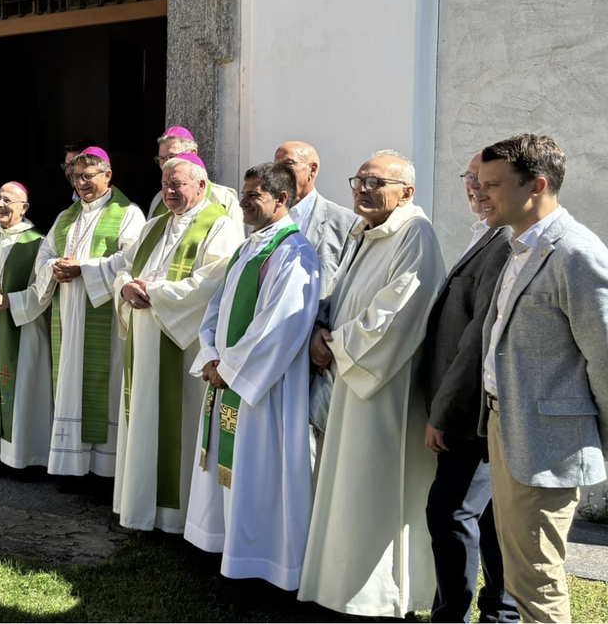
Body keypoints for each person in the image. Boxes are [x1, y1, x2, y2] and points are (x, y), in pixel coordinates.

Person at [299, 150, 445, 618]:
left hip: (382, 388)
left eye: (375, 182)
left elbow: (395, 315)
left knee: (372, 490)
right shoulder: (364, 232)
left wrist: (335, 346)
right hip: (348, 377)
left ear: (407, 192)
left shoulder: (414, 234)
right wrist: (323, 332)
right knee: (341, 487)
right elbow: (343, 296)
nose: (362, 189)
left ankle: (377, 597)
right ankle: (335, 587)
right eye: (358, 180)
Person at [475, 134, 608, 623]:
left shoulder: (575, 253)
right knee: (520, 575)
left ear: (538, 185)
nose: (480, 193)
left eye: (492, 184)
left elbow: (606, 360)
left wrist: (594, 441)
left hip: (547, 444)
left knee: (537, 580)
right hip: (505, 425)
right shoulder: (519, 247)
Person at [184, 161, 320, 590]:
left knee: (259, 472)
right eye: (243, 194)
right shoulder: (249, 245)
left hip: (264, 391)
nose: (242, 202)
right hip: (227, 378)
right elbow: (216, 309)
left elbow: (281, 325)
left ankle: (262, 563)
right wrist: (209, 354)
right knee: (227, 468)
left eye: (253, 196)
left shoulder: (294, 252)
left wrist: (231, 368)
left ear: (283, 199)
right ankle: (224, 548)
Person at [112, 156, 241, 531]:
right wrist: (124, 286)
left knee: (175, 421)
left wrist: (153, 291)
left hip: (180, 345)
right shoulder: (153, 225)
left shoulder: (220, 226)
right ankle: (138, 506)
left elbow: (211, 283)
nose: (168, 191)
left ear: (201, 186)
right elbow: (124, 264)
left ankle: (174, 516)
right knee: (142, 418)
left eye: (177, 184)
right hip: (143, 339)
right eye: (165, 183)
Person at [416, 152, 516, 623]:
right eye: (469, 178)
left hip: (472, 416)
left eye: (485, 180)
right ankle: (498, 612)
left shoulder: (505, 244)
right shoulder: (487, 235)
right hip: (473, 413)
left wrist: (443, 411)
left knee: (451, 514)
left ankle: (458, 614)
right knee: (490, 520)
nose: (475, 188)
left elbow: (477, 339)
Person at [31, 146, 145, 477]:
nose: (80, 182)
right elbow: (43, 255)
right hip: (68, 316)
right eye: (75, 176)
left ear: (108, 175)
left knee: (101, 385)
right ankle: (71, 463)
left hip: (103, 317)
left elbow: (132, 259)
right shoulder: (66, 217)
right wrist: (54, 267)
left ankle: (104, 467)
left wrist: (85, 268)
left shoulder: (128, 213)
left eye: (87, 176)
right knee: (69, 382)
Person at [0, 181, 53, 468]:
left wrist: (11, 303)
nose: (1, 205)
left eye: (8, 200)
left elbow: (43, 290)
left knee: (24, 390)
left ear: (24, 208)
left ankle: (24, 457)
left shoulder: (38, 242)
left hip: (25, 330)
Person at [275, 141, 359, 296]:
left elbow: (350, 285)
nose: (279, 172)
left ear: (312, 170)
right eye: (276, 166)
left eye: (288, 163)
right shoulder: (267, 216)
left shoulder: (347, 222)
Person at [149, 126, 241, 223]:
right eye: (161, 158)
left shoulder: (224, 199)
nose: (165, 164)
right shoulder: (158, 199)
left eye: (172, 157)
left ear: (193, 154)